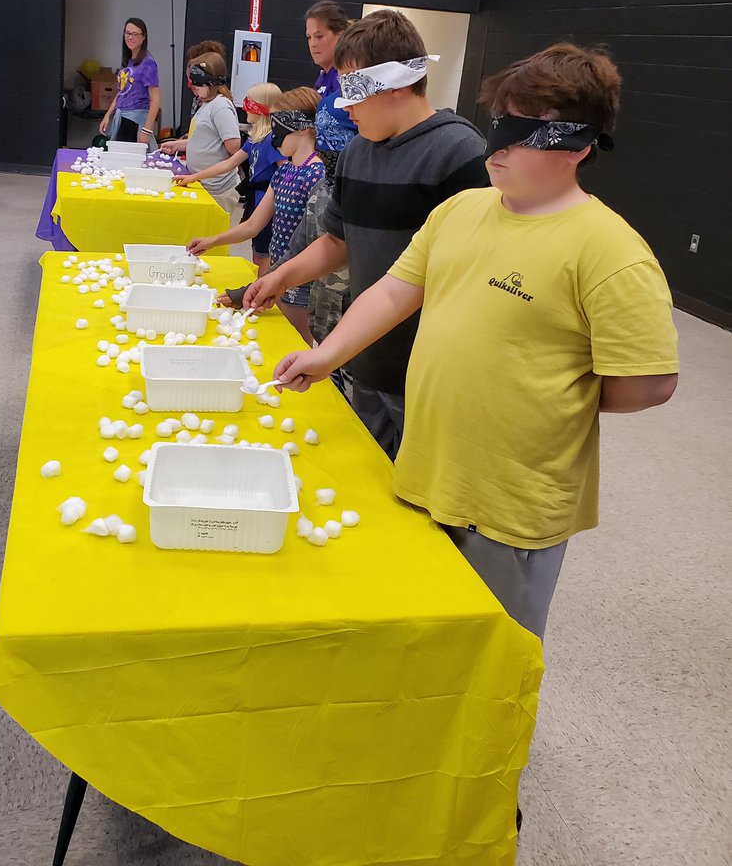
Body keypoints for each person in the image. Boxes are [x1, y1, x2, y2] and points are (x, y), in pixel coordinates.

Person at [273, 42, 679, 643]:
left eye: (528, 133)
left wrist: (550, 396)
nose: (502, 146)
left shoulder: (610, 252)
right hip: (428, 466)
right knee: (420, 625)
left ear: (580, 146)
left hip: (512, 499)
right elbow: (391, 293)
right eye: (501, 126)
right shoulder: (460, 211)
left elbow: (649, 382)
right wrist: (326, 354)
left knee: (494, 645)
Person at [244, 9, 489, 458]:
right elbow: (338, 240)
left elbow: (470, 273)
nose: (345, 106)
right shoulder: (357, 152)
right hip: (365, 354)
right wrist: (280, 277)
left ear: (395, 85)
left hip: (426, 369)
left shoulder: (458, 152)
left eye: (353, 91)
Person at [188, 87, 325, 343]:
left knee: (294, 345)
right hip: (278, 277)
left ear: (303, 128)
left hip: (302, 284)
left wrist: (267, 283)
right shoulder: (284, 172)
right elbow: (253, 225)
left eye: (280, 129)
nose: (274, 137)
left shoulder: (316, 177)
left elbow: (317, 245)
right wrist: (212, 241)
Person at [276, 95, 358, 390]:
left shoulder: (355, 185)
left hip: (353, 325)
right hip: (322, 313)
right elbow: (302, 244)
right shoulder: (325, 186)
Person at [174, 81, 283, 273]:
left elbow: (285, 172)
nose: (244, 107)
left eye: (251, 103)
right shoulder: (254, 140)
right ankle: (258, 283)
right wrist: (195, 177)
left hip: (268, 201)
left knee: (265, 251)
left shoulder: (272, 142)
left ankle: (264, 286)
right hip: (254, 200)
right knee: (257, 249)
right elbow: (228, 164)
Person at [162, 53, 241, 215]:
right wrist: (180, 144)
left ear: (211, 82)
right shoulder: (206, 104)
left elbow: (234, 146)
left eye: (196, 83)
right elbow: (207, 140)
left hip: (217, 190)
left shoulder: (220, 106)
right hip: (203, 184)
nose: (192, 87)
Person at [98, 17, 159, 145]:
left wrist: (147, 130)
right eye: (127, 33)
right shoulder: (127, 61)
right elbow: (122, 92)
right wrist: (108, 115)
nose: (130, 37)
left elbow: (156, 100)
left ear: (143, 37)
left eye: (135, 34)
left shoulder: (148, 63)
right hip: (121, 117)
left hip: (135, 120)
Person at [305, 0, 348, 100]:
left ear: (340, 36)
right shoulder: (324, 76)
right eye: (309, 37)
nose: (313, 44)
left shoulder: (344, 77)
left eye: (319, 36)